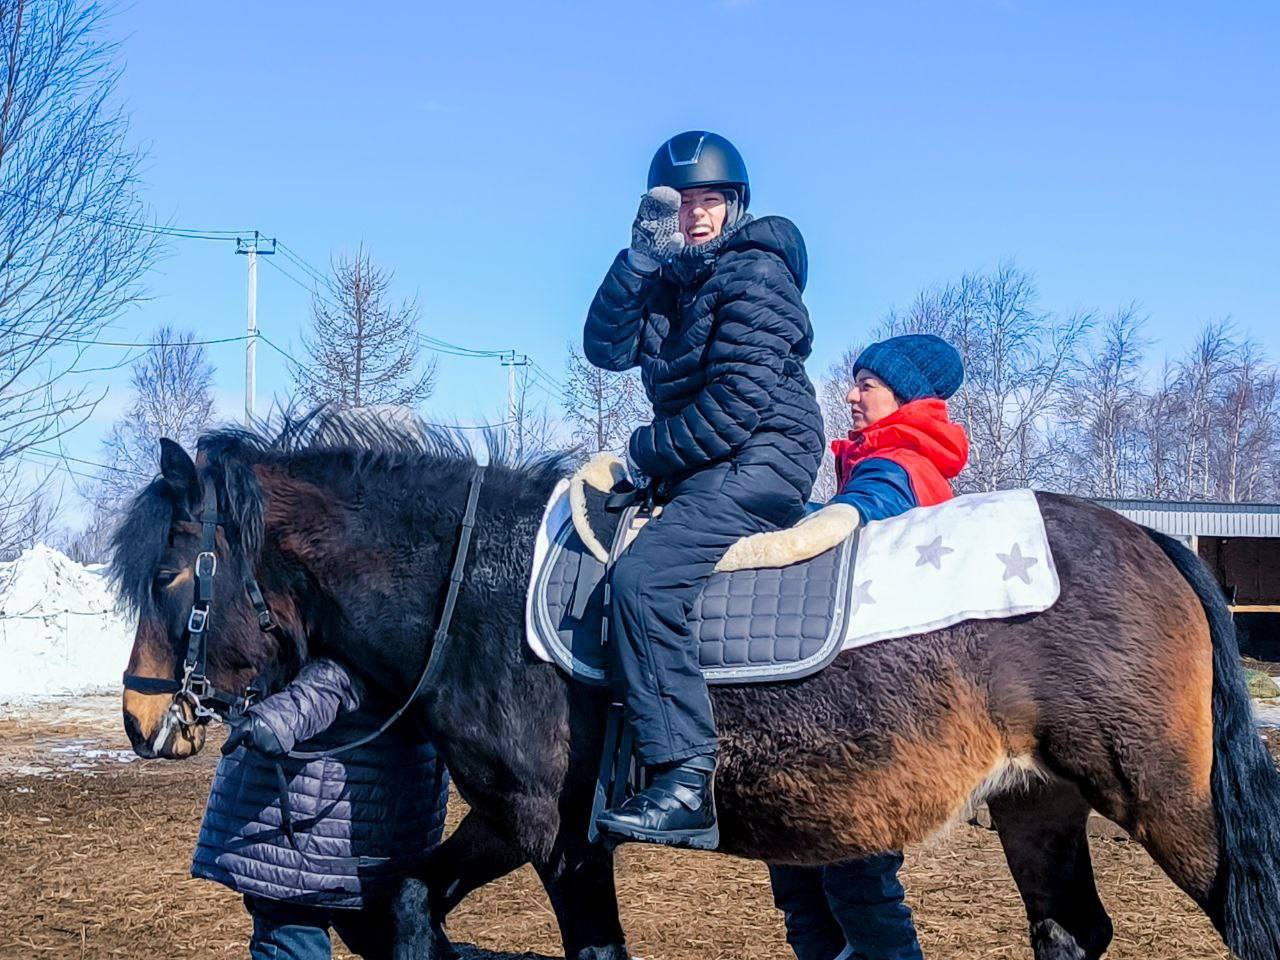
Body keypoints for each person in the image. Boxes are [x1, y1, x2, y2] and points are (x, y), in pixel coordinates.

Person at [585, 130, 825, 849]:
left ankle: (686, 775)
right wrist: (636, 262)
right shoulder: (670, 277)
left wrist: (641, 454)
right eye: (680, 202)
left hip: (762, 457)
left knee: (642, 583)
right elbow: (604, 348)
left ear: (735, 206)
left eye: (709, 200)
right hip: (704, 458)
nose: (694, 213)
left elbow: (733, 411)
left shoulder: (757, 275)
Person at [769, 332, 968, 960]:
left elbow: (850, 524)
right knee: (804, 878)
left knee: (854, 874)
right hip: (848, 695)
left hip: (873, 711)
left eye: (867, 385)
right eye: (854, 382)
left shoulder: (900, 468)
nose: (851, 395)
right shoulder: (884, 459)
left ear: (904, 397)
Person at [192, 658, 450, 960]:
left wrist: (279, 719)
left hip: (314, 820)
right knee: (397, 934)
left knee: (294, 931)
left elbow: (347, 663)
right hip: (372, 816)